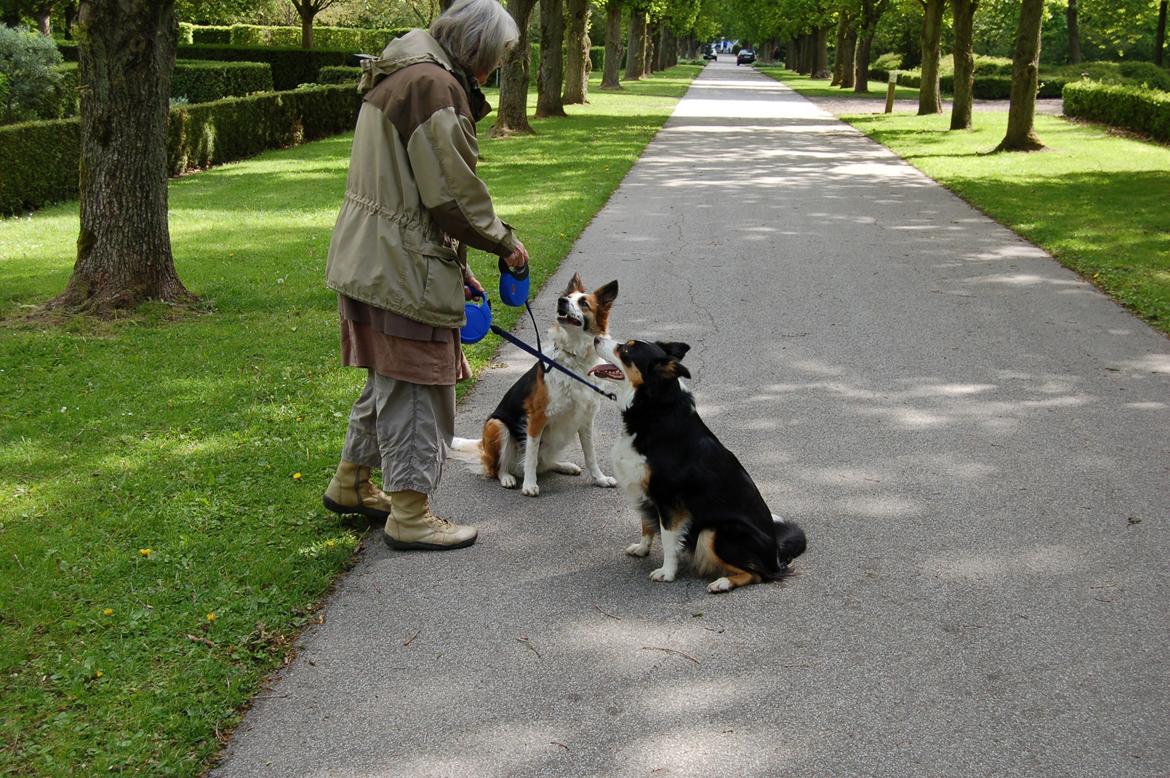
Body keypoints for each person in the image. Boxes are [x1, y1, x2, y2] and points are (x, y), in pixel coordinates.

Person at [321, 0, 528, 551]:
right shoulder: (434, 87)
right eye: (495, 59)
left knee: (390, 379)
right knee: (418, 384)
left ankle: (351, 483)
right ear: (474, 49)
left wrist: (457, 267)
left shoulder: (407, 70)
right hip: (399, 265)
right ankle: (410, 514)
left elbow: (413, 189)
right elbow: (450, 194)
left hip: (377, 255)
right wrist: (505, 243)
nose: (493, 72)